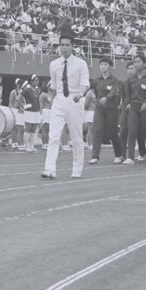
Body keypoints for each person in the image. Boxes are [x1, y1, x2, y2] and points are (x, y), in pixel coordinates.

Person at [41, 30, 90, 179]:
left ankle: (77, 169)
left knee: (76, 137)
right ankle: (50, 168)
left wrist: (80, 95)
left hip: (75, 99)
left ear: (73, 46)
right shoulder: (54, 64)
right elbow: (54, 85)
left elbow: (85, 84)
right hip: (59, 100)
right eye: (62, 45)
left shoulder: (81, 64)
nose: (64, 48)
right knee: (53, 135)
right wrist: (55, 100)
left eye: (67, 45)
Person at [89, 57, 122, 164]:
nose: (103, 67)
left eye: (105, 64)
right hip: (99, 108)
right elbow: (96, 93)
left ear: (110, 67)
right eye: (101, 64)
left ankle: (119, 155)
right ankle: (95, 157)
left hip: (112, 109)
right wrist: (100, 100)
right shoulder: (96, 80)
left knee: (112, 132)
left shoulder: (114, 79)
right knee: (97, 131)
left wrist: (107, 98)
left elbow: (114, 91)